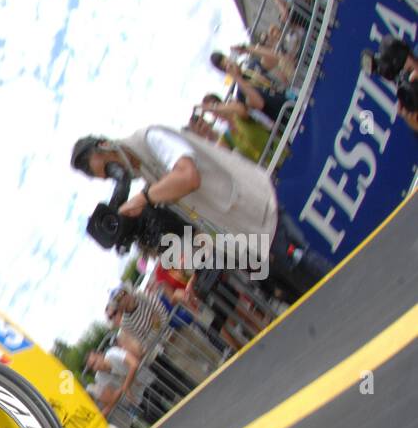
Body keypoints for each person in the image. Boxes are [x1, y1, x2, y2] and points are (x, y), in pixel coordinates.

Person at [70, 128, 332, 301]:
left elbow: (188, 177)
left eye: (109, 168)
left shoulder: (151, 138)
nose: (115, 176)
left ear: (105, 145)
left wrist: (146, 197)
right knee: (305, 295)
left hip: (253, 216)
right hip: (243, 240)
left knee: (323, 280)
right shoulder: (149, 175)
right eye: (107, 176)